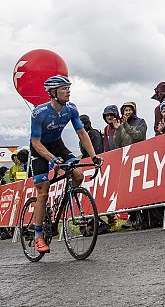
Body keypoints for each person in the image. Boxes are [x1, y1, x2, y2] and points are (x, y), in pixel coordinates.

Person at [29, 75, 101, 254]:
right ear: (53, 93)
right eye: (64, 88)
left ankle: (62, 203)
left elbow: (82, 134)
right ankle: (38, 234)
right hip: (39, 149)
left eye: (68, 88)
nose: (68, 91)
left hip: (57, 144)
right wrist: (51, 159)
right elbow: (36, 142)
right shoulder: (39, 112)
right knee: (43, 189)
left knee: (78, 175)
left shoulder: (71, 109)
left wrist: (94, 157)